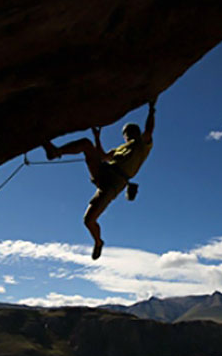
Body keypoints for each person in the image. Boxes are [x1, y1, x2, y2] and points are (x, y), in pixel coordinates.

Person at [43, 98, 157, 260]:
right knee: (86, 144)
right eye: (126, 134)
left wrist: (152, 109)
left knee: (88, 220)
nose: (127, 136)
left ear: (136, 133)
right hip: (104, 173)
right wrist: (97, 137)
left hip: (113, 183)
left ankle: (98, 242)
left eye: (129, 133)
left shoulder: (142, 144)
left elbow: (149, 129)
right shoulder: (119, 149)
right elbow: (103, 157)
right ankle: (55, 153)